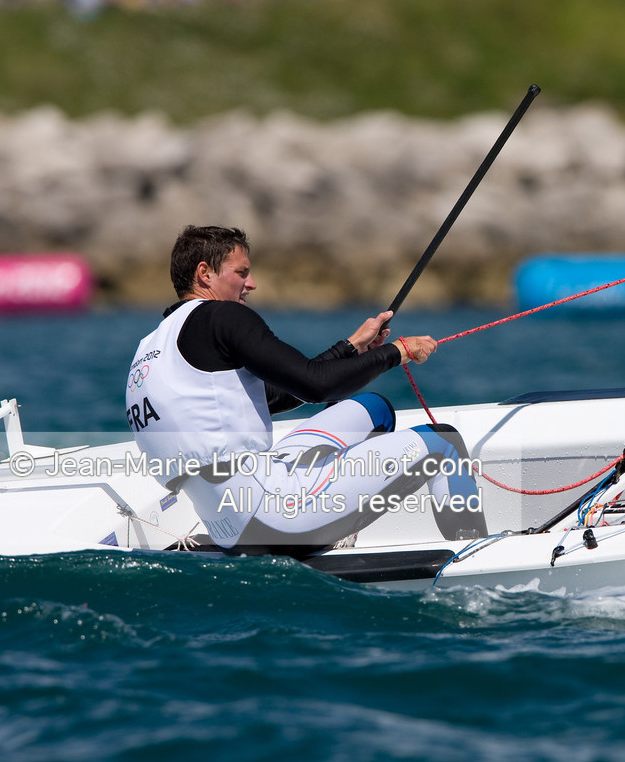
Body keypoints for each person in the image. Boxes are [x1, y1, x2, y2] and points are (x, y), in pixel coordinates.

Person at [125, 225, 486, 552]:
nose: (252, 284)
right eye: (242, 273)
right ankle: (475, 555)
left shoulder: (152, 347)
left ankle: (337, 514)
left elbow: (278, 393)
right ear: (205, 273)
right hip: (277, 519)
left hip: (230, 529)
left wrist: (351, 348)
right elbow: (316, 385)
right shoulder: (223, 316)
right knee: (444, 443)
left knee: (374, 409)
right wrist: (398, 352)